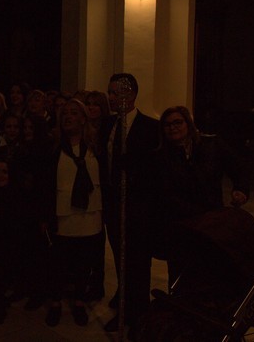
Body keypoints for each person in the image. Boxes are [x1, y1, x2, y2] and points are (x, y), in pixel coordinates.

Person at [152, 106, 248, 284]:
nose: (172, 127)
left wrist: (240, 189)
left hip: (212, 221)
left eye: (177, 122)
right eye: (167, 124)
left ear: (188, 123)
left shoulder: (212, 145)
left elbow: (239, 167)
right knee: (180, 274)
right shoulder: (161, 157)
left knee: (209, 270)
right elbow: (165, 193)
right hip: (181, 224)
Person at [100, 73, 159, 334]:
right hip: (113, 204)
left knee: (138, 260)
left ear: (132, 94)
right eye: (110, 93)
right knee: (120, 257)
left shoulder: (149, 127)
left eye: (116, 92)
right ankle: (125, 301)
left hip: (138, 207)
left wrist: (134, 169)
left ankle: (139, 312)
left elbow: (155, 169)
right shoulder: (107, 124)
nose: (112, 98)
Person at [43, 99, 104, 328]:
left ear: (83, 118)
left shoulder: (95, 147)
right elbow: (46, 183)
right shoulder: (54, 147)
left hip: (89, 213)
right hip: (63, 213)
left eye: (73, 113)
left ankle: (79, 301)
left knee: (83, 262)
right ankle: (56, 302)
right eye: (64, 113)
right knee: (58, 263)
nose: (68, 116)